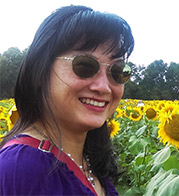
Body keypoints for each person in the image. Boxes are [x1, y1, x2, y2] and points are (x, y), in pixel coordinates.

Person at [0, 5, 134, 196]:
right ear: (41, 72)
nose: (103, 87)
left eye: (118, 71)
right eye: (85, 66)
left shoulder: (90, 159)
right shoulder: (19, 169)